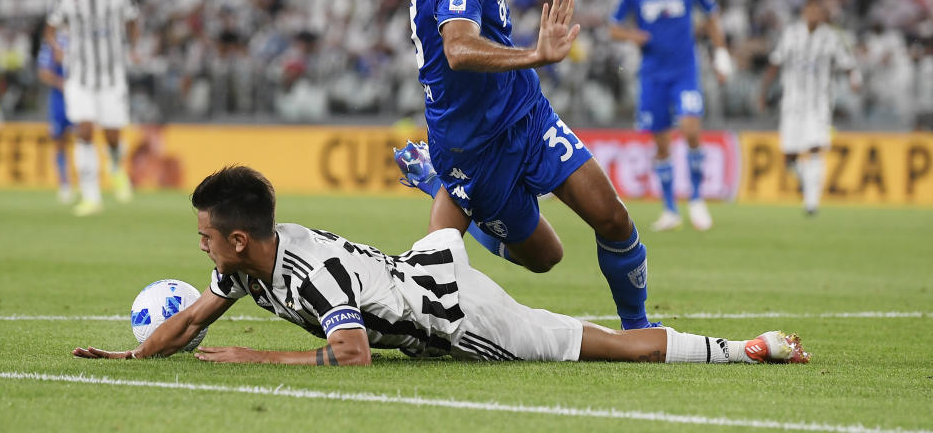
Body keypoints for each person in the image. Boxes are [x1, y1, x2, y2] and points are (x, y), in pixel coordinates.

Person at [72, 165, 809, 366]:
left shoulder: (310, 269)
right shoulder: (242, 265)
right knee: (439, 221)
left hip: (453, 311)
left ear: (239, 239)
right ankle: (449, 181)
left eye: (205, 235)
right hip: (410, 266)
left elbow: (352, 356)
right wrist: (129, 354)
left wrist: (254, 356)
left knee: (595, 343)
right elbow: (195, 318)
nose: (199, 244)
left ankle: (744, 350)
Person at [381, 0, 655, 331]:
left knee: (612, 217)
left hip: (526, 116)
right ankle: (438, 182)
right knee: (544, 256)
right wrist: (537, 54)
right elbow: (459, 49)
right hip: (472, 145)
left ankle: (638, 329)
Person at [608, 0, 733, 232]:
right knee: (661, 142)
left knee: (691, 129)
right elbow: (614, 27)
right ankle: (670, 209)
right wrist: (632, 35)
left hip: (684, 71)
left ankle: (697, 198)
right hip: (652, 74)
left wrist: (721, 54)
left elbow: (712, 16)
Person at [44, 0, 138, 216]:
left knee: (111, 135)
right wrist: (57, 47)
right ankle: (90, 196)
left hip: (111, 75)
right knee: (84, 132)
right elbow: (50, 29)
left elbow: (132, 20)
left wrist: (131, 47)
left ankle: (116, 166)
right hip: (80, 76)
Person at [758, 0, 860, 215]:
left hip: (818, 104)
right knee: (790, 157)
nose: (813, 15)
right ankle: (806, 180)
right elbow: (775, 63)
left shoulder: (831, 38)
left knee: (815, 148)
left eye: (818, 11)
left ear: (823, 15)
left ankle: (811, 204)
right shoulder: (791, 34)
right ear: (804, 12)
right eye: (810, 10)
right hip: (792, 104)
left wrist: (854, 80)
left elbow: (848, 63)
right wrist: (763, 92)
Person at [36, 32, 74, 203]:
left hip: (80, 97)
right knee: (59, 141)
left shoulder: (83, 36)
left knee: (85, 137)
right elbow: (43, 72)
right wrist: (61, 84)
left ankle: (88, 183)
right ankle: (65, 184)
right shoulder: (50, 43)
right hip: (59, 100)